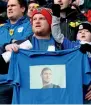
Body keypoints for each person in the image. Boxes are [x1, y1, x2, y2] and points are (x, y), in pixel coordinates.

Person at [0, 0, 33, 104]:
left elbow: (27, 43)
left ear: (23, 8)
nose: (9, 8)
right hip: (2, 82)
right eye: (8, 6)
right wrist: (7, 44)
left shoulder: (30, 25)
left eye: (13, 5)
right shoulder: (2, 28)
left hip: (22, 81)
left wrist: (12, 44)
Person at [52, 17, 91, 102]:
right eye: (80, 32)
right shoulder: (71, 45)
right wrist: (55, 14)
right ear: (76, 36)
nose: (83, 32)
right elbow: (56, 34)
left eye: (87, 31)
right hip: (72, 87)